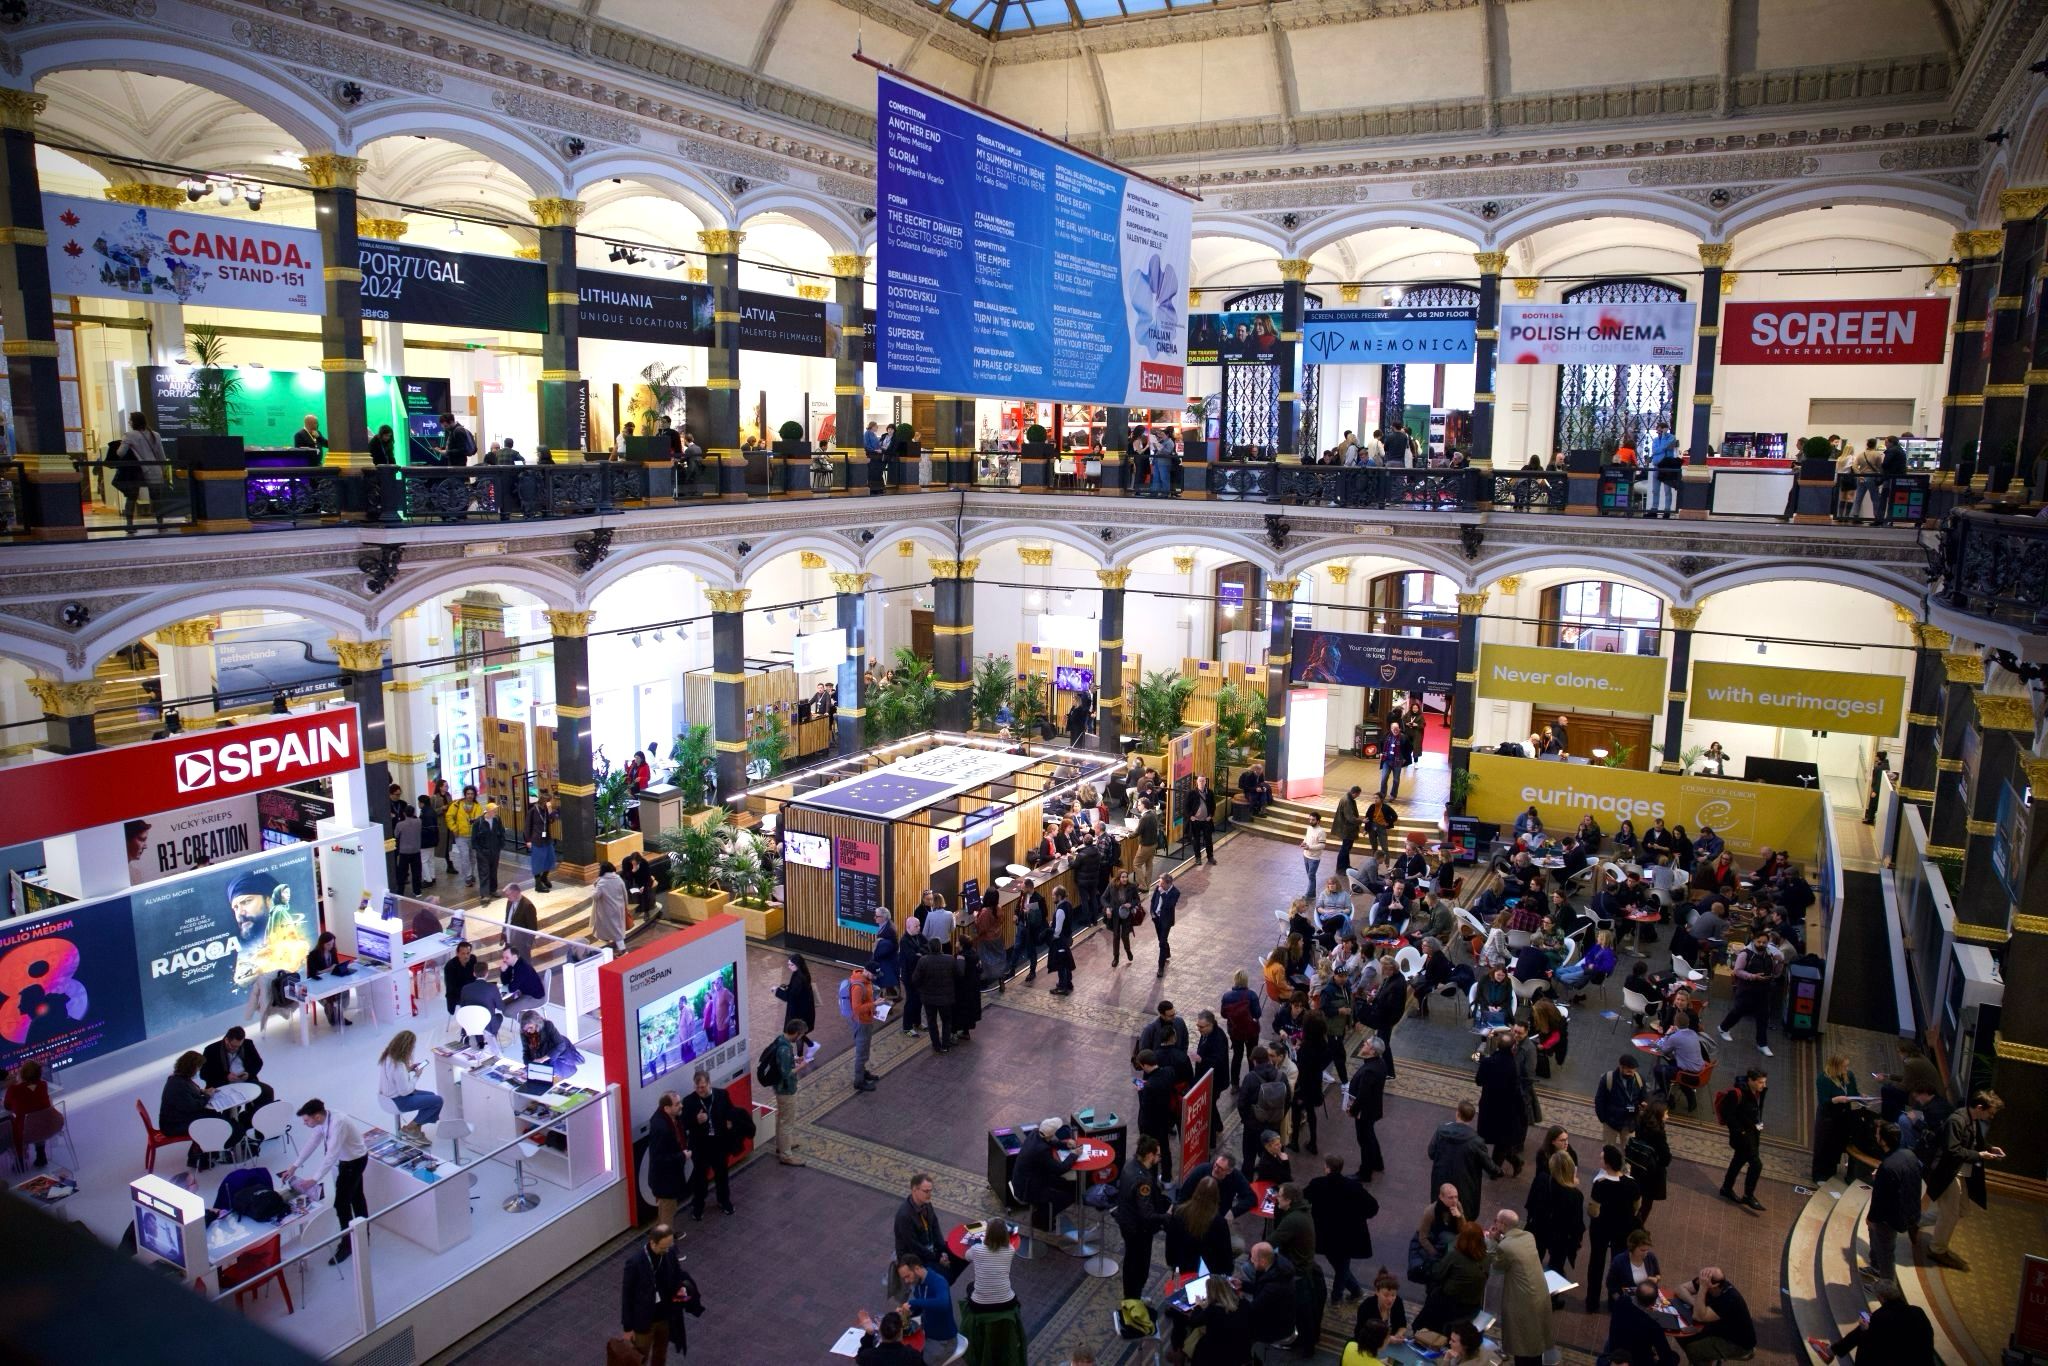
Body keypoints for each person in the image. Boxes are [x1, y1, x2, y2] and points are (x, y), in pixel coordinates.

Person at [1924, 1090, 2004, 1271]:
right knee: (1950, 1214)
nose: (1991, 1117)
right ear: (1979, 1107)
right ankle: (1937, 1249)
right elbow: (1952, 1150)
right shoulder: (1957, 1120)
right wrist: (1979, 1155)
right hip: (1947, 1172)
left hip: (1959, 1171)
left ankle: (1917, 1222)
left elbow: (1976, 1142)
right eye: (1990, 1113)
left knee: (1961, 1210)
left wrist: (1991, 1149)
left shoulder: (1973, 1120)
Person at [281, 1099, 368, 1264]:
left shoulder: (338, 1122)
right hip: (347, 1162)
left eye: (307, 1120)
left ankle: (348, 1244)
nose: (305, 1124)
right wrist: (294, 1167)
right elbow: (312, 1142)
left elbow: (331, 1154)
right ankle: (363, 1235)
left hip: (354, 1163)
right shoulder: (324, 1119)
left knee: (341, 1204)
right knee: (356, 1197)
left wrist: (314, 1179)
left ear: (318, 1116)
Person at [621, 1223, 703, 1363]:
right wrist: (627, 1328)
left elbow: (677, 1273)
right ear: (653, 1242)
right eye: (663, 1247)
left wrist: (682, 1287)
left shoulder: (669, 1252)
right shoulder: (635, 1263)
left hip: (665, 1315)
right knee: (640, 1357)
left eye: (669, 1245)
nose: (667, 1250)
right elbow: (627, 1295)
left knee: (661, 1353)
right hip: (644, 1321)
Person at [1809, 1279, 1935, 1364]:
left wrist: (1865, 1330)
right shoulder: (1918, 1311)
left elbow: (1876, 1343)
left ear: (1881, 1298)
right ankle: (1831, 1350)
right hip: (1923, 1360)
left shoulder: (1881, 1317)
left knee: (1863, 1334)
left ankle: (1830, 1351)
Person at [1306, 1153, 1376, 1305]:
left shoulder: (1318, 1184)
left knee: (1340, 1264)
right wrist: (1359, 1216)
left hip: (1326, 1233)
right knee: (1342, 1264)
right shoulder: (1353, 1187)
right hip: (1348, 1234)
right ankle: (1351, 1291)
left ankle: (1339, 1296)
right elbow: (1372, 1207)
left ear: (1327, 1168)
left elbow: (1304, 1198)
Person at [1487, 1209, 1554, 1366]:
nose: (1494, 1223)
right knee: (1534, 1339)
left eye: (1496, 1221)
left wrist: (1492, 1240)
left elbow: (1496, 1266)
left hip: (1522, 1301)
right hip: (1538, 1294)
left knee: (1522, 1341)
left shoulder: (1505, 1246)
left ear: (1503, 1224)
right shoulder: (1528, 1236)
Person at [1114, 1134, 1173, 1299]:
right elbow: (1146, 1214)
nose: (1159, 1158)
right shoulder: (1143, 1180)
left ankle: (1131, 1296)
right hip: (1138, 1230)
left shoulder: (1130, 1165)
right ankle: (1134, 1298)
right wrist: (1165, 1216)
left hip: (1126, 1222)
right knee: (1140, 1266)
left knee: (1130, 1261)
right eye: (1158, 1155)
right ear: (1150, 1155)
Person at [678, 1067, 736, 1219]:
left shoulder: (721, 1095)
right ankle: (698, 1206)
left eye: (703, 1087)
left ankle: (724, 1201)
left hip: (718, 1144)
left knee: (722, 1175)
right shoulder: (689, 1101)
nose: (700, 1090)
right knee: (700, 1179)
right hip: (701, 1146)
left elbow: (730, 1110)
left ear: (709, 1084)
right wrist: (695, 1120)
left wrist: (730, 1120)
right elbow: (683, 1124)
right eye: (697, 1087)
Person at [1429, 1098, 1501, 1218]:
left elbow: (1431, 1152)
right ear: (1472, 1118)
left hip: (1441, 1179)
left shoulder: (1441, 1131)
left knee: (1440, 1210)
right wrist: (1499, 1171)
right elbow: (1489, 1165)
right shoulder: (1476, 1141)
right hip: (1465, 1184)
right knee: (1462, 1214)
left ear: (1457, 1113)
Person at [1670, 1267, 1756, 1365]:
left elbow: (1698, 1316)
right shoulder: (1706, 1281)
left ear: (1714, 1285)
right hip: (1717, 1328)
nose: (1701, 1280)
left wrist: (1702, 1288)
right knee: (1682, 1334)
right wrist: (1696, 1303)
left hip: (1737, 1343)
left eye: (1704, 1279)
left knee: (1694, 1350)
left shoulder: (1729, 1299)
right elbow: (1679, 1289)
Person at [1717, 1067, 1768, 1212]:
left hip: (1752, 1132)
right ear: (1750, 1080)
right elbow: (1728, 1116)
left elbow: (1757, 1109)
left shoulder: (1758, 1091)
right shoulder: (1737, 1094)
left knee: (1738, 1160)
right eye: (1760, 1082)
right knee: (1756, 1165)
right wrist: (1741, 1132)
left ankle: (1726, 1188)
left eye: (1764, 1082)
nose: (1763, 1086)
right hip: (1743, 1136)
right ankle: (1748, 1195)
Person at [376, 1030, 444, 1137]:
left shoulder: (388, 1057)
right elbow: (405, 1091)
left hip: (386, 1097)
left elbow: (394, 1077)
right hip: (398, 1100)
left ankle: (416, 1129)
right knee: (438, 1101)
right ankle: (410, 1127)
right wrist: (417, 1075)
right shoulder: (398, 1066)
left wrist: (408, 1069)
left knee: (431, 1096)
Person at [1717, 939, 1779, 1056]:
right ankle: (1723, 1027)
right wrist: (1752, 976)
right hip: (1747, 990)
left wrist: (1779, 963)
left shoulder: (1770, 955)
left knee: (1763, 1017)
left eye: (1764, 942)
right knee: (1739, 1011)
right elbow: (1737, 971)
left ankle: (1762, 1044)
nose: (1761, 944)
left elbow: (1776, 973)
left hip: (1763, 991)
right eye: (1759, 942)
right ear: (1755, 941)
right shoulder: (1746, 954)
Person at [1344, 1035, 1390, 1182]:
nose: (1363, 1044)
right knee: (1370, 1136)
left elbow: (1363, 1095)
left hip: (1365, 1111)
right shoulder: (1379, 1063)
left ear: (1372, 1051)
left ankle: (1365, 1172)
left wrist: (1352, 1110)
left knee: (1364, 1140)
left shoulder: (1370, 1070)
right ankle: (1377, 1162)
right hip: (1372, 1109)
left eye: (1366, 1044)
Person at [200, 1024, 275, 1113]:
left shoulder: (247, 1044)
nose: (235, 1049)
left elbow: (258, 1062)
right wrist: (225, 1076)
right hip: (223, 1083)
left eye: (238, 1046)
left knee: (267, 1091)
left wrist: (249, 1073)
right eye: (233, 1046)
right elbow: (204, 1073)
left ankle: (255, 1116)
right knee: (228, 1105)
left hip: (246, 1081)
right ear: (226, 1039)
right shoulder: (211, 1050)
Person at [645, 1091, 690, 1227]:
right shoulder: (661, 1128)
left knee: (667, 1210)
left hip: (669, 1178)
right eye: (677, 1104)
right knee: (667, 1211)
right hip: (665, 1180)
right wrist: (682, 1156)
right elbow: (659, 1158)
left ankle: (665, 1237)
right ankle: (665, 1244)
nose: (681, 1106)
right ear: (667, 1108)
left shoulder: (670, 1118)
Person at [768, 1018, 808, 1165]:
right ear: (796, 1033)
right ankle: (786, 1155)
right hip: (786, 1089)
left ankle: (782, 1145)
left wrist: (795, 1060)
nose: (801, 1037)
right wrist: (801, 1066)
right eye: (801, 1034)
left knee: (782, 1118)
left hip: (779, 1088)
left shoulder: (780, 1040)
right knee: (787, 1122)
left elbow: (782, 1064)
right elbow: (786, 1073)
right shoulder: (785, 1049)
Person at [1629, 1099, 1673, 1228]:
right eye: (1665, 1113)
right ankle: (1638, 1226)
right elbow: (1665, 1157)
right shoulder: (1658, 1133)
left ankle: (1629, 1221)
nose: (1667, 1116)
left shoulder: (1641, 1123)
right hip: (1652, 1173)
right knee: (1647, 1202)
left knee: (1635, 1197)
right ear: (1659, 1115)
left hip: (1638, 1166)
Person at [519, 1009, 585, 1072]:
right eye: (525, 1029)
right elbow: (526, 1051)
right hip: (540, 1057)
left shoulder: (548, 1025)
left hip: (552, 1053)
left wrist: (542, 1059)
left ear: (537, 1024)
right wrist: (528, 1064)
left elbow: (561, 1045)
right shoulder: (524, 1033)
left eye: (530, 1027)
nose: (528, 1031)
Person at [1185, 774, 1218, 866]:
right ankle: (1198, 858)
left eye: (1203, 781)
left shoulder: (1210, 792)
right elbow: (1186, 806)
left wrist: (1210, 815)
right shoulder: (1191, 793)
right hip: (1196, 821)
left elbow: (1213, 805)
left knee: (1208, 839)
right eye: (1200, 781)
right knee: (1196, 840)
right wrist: (1191, 816)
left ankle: (1210, 857)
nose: (1201, 782)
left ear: (1205, 782)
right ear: (1196, 782)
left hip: (1206, 821)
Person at [503, 881, 539, 959]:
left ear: (516, 892)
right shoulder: (509, 901)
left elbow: (532, 928)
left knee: (524, 966)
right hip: (509, 942)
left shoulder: (528, 906)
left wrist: (528, 945)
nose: (507, 897)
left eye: (508, 895)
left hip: (522, 945)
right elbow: (507, 920)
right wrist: (503, 935)